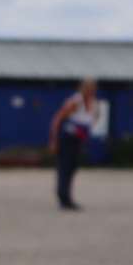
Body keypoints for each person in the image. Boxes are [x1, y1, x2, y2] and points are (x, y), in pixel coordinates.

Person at [48, 78, 98, 211]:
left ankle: (67, 197)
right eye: (90, 88)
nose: (93, 91)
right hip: (67, 139)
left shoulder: (92, 103)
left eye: (94, 88)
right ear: (83, 88)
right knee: (65, 168)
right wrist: (54, 140)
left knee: (72, 168)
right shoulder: (75, 102)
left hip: (78, 140)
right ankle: (63, 198)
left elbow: (91, 120)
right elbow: (57, 119)